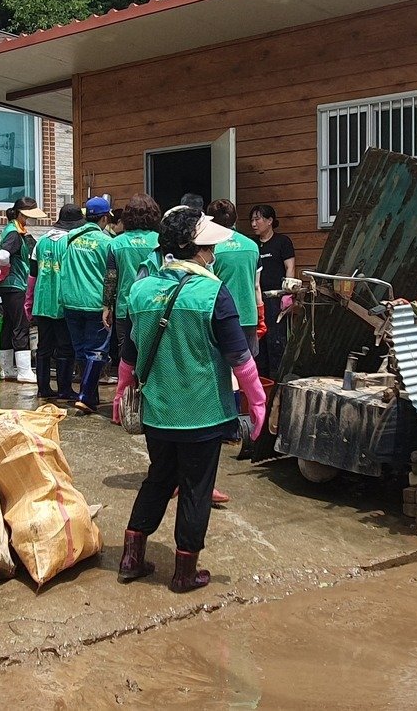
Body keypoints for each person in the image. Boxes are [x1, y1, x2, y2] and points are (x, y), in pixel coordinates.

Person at [113, 207, 268, 593]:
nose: (212, 254)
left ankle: (131, 556)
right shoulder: (213, 292)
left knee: (159, 479)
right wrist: (259, 402)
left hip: (158, 411)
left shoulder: (142, 289)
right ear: (193, 249)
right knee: (197, 488)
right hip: (202, 412)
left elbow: (130, 353)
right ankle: (184, 573)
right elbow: (241, 358)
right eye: (207, 247)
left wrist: (120, 392)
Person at [103, 194, 162, 412]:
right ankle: (151, 406)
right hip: (156, 307)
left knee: (126, 358)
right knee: (153, 354)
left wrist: (106, 307)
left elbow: (111, 278)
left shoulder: (116, 243)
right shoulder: (160, 241)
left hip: (125, 309)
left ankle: (123, 407)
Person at [59, 196, 113, 414]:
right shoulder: (107, 243)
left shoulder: (70, 238)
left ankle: (90, 393)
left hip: (71, 301)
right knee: (97, 350)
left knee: (81, 349)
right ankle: (85, 397)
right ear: (104, 217)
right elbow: (110, 276)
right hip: (94, 304)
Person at [0, 196, 47, 382]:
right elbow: (4, 255)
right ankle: (24, 371)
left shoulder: (14, 230)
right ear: (21, 214)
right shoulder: (13, 232)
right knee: (21, 326)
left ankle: (7, 369)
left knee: (8, 325)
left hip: (7, 287)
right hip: (16, 285)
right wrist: (3, 270)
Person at [31, 204, 84, 401]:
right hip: (63, 302)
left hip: (42, 301)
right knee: (65, 347)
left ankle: (43, 388)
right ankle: (64, 389)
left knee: (44, 347)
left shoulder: (41, 241)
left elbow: (33, 273)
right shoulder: (70, 242)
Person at [207, 199, 262, 355]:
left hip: (220, 316)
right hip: (248, 315)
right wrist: (260, 314)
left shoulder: (210, 248)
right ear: (235, 218)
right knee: (247, 367)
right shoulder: (252, 245)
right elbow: (256, 285)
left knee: (223, 370)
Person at [251, 204, 296, 379]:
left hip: (276, 298)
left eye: (258, 219)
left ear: (270, 221)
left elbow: (290, 268)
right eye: (252, 220)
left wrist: (288, 295)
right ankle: (261, 378)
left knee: (276, 340)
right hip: (256, 298)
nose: (254, 224)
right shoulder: (252, 245)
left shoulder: (282, 242)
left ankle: (277, 378)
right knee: (258, 340)